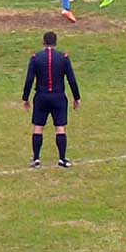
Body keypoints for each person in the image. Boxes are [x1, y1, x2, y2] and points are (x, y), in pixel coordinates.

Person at [21, 31, 80, 169]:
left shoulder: (36, 58)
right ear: (55, 43)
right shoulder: (63, 58)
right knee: (60, 127)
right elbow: (71, 79)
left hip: (41, 97)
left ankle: (36, 159)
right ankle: (62, 159)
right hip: (58, 97)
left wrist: (25, 97)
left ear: (43, 42)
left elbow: (29, 79)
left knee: (38, 127)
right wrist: (76, 97)